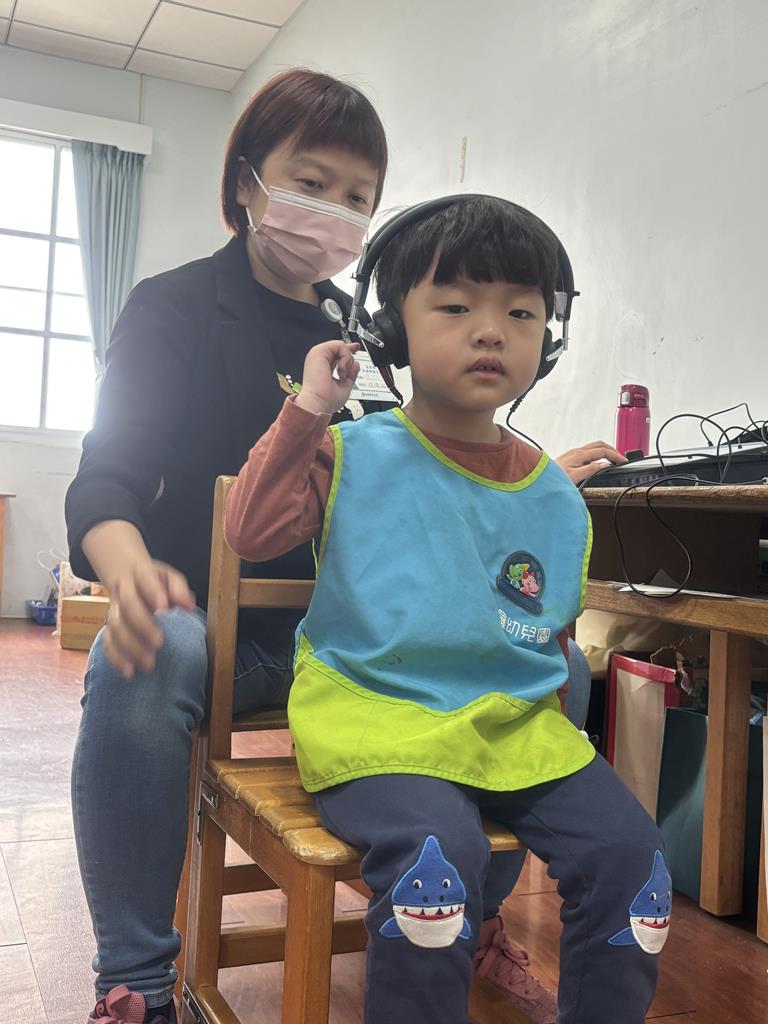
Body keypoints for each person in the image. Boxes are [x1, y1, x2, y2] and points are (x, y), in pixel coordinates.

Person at [225, 195, 669, 1024]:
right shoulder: (350, 451)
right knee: (438, 859)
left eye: (521, 313)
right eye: (456, 307)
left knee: (633, 858)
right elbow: (250, 531)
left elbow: (544, 636)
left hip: (513, 728)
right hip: (375, 719)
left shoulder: (554, 492)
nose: (491, 331)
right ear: (389, 330)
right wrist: (309, 408)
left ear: (549, 341)